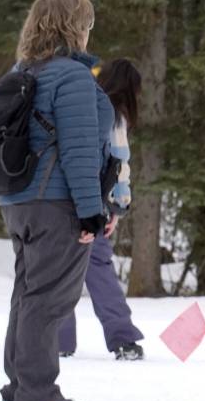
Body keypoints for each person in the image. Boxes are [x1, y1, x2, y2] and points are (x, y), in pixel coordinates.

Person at [0, 0, 115, 401]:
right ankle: (37, 393)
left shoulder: (23, 70)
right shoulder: (71, 76)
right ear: (76, 26)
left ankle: (19, 386)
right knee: (49, 300)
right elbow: (80, 151)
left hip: (18, 200)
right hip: (56, 202)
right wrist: (91, 210)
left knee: (28, 294)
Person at [57, 59, 145, 361]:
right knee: (99, 271)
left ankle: (58, 340)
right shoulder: (114, 115)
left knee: (61, 271)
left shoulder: (80, 104)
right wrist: (118, 207)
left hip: (60, 199)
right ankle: (122, 338)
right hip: (93, 203)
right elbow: (119, 163)